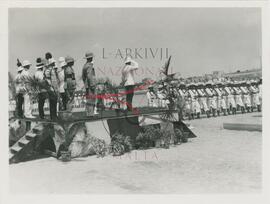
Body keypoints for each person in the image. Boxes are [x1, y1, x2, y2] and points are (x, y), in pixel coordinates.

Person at [82, 52, 96, 116]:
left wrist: (85, 83)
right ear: (91, 58)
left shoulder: (84, 65)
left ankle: (89, 113)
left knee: (88, 99)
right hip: (90, 84)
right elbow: (90, 76)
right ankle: (91, 114)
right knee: (91, 98)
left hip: (87, 84)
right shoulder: (89, 66)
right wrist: (92, 85)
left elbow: (83, 76)